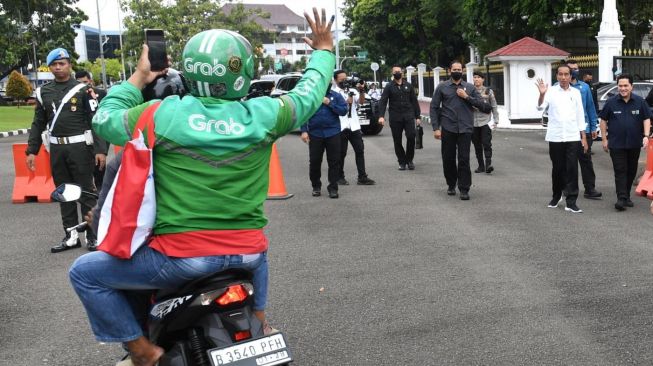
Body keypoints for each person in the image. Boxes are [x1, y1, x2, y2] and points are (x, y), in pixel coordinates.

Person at [68, 8, 336, 366]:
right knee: (256, 242)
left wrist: (138, 76)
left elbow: (104, 119)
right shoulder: (267, 115)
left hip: (182, 260)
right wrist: (323, 50)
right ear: (243, 72)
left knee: (84, 273)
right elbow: (309, 92)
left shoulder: (161, 114)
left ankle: (142, 351)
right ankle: (259, 320)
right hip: (248, 255)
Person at [25, 48, 107, 253]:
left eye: (62, 63)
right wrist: (31, 150)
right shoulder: (44, 92)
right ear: (50, 67)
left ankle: (92, 234)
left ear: (69, 65)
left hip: (80, 147)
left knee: (86, 191)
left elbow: (95, 121)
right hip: (57, 148)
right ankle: (70, 235)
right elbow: (38, 123)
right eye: (54, 64)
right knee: (63, 191)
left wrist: (100, 150)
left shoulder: (83, 90)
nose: (58, 67)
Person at [430, 61, 491, 200]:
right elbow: (434, 107)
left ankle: (464, 189)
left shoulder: (470, 88)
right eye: (454, 69)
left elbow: (484, 107)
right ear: (450, 70)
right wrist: (436, 128)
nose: (457, 71)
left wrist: (466, 97)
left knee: (464, 160)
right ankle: (451, 184)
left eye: (459, 69)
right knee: (448, 159)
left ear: (462, 71)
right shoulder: (442, 87)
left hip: (465, 129)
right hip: (448, 128)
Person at [536, 64, 589, 213]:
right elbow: (540, 107)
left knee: (572, 168)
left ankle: (571, 201)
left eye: (566, 74)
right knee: (557, 168)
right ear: (557, 76)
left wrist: (583, 136)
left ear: (571, 76)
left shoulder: (576, 92)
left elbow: (580, 114)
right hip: (555, 136)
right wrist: (541, 94)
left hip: (572, 136)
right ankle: (557, 195)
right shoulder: (550, 91)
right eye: (561, 74)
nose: (564, 77)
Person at [599, 73, 652, 211]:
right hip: (616, 143)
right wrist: (604, 139)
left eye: (625, 86)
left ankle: (626, 196)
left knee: (631, 170)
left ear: (631, 87)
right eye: (620, 86)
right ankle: (621, 198)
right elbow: (603, 120)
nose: (622, 88)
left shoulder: (640, 101)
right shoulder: (611, 102)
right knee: (620, 170)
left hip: (634, 143)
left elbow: (646, 118)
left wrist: (646, 135)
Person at [300, 80, 347, 198]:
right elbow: (304, 114)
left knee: (334, 161)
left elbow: (343, 111)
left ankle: (333, 187)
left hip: (333, 132)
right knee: (315, 161)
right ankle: (316, 186)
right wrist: (304, 131)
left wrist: (329, 103)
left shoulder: (336, 96)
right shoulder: (311, 97)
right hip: (315, 133)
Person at [566, 60, 602, 200]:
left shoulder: (585, 87)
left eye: (576, 68)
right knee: (568, 161)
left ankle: (590, 188)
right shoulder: (558, 87)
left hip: (585, 128)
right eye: (572, 69)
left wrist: (594, 126)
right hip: (568, 129)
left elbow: (590, 108)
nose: (575, 71)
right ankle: (568, 188)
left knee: (586, 159)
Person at [332, 70, 375, 186]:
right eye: (341, 80)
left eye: (345, 79)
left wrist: (361, 90)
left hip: (354, 126)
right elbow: (335, 109)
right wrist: (346, 103)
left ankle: (362, 177)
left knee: (360, 150)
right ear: (335, 80)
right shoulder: (334, 93)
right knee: (341, 153)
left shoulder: (352, 91)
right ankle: (339, 176)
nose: (344, 82)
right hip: (341, 126)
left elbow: (361, 102)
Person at [377, 66, 422, 170]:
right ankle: (402, 161)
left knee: (411, 137)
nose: (397, 73)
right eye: (395, 72)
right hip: (395, 117)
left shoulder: (408, 86)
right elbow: (383, 101)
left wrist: (418, 116)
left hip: (408, 116)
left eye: (399, 71)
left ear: (402, 72)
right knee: (397, 140)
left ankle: (409, 160)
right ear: (392, 73)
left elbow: (414, 101)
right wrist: (381, 116)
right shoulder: (389, 87)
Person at [75, 70, 109, 190]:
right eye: (79, 83)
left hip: (99, 132)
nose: (83, 85)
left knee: (99, 164)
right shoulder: (75, 96)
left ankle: (101, 188)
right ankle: (88, 188)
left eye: (85, 82)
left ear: (90, 81)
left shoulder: (102, 93)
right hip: (82, 134)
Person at [471, 71, 499, 174]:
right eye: (475, 77)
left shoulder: (488, 91)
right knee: (477, 145)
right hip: (473, 122)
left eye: (479, 77)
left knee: (487, 144)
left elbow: (494, 105)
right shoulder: (470, 91)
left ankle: (488, 165)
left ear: (483, 79)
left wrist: (496, 120)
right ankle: (480, 166)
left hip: (485, 122)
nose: (476, 79)